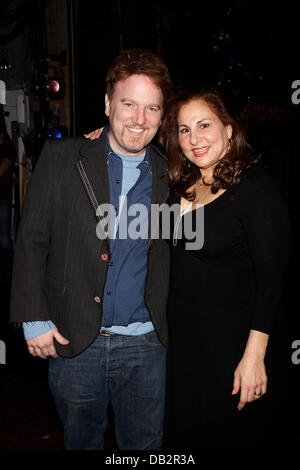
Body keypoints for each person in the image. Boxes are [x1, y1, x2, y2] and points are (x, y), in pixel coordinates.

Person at [9, 48, 172, 450]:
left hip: (147, 343)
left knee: (145, 447)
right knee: (80, 442)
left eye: (152, 108)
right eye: (129, 104)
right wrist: (33, 317)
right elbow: (32, 238)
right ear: (107, 104)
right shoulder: (64, 157)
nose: (139, 119)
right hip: (75, 337)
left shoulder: (174, 172)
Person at [158, 88, 291, 450]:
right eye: (184, 130)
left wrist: (254, 357)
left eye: (204, 125)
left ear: (229, 129)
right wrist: (101, 137)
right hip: (186, 346)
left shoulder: (255, 187)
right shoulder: (180, 183)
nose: (193, 138)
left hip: (233, 346)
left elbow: (271, 278)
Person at [0, 118, 16, 292]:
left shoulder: (7, 148)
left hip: (2, 198)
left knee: (4, 240)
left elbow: (2, 170)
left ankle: (9, 279)